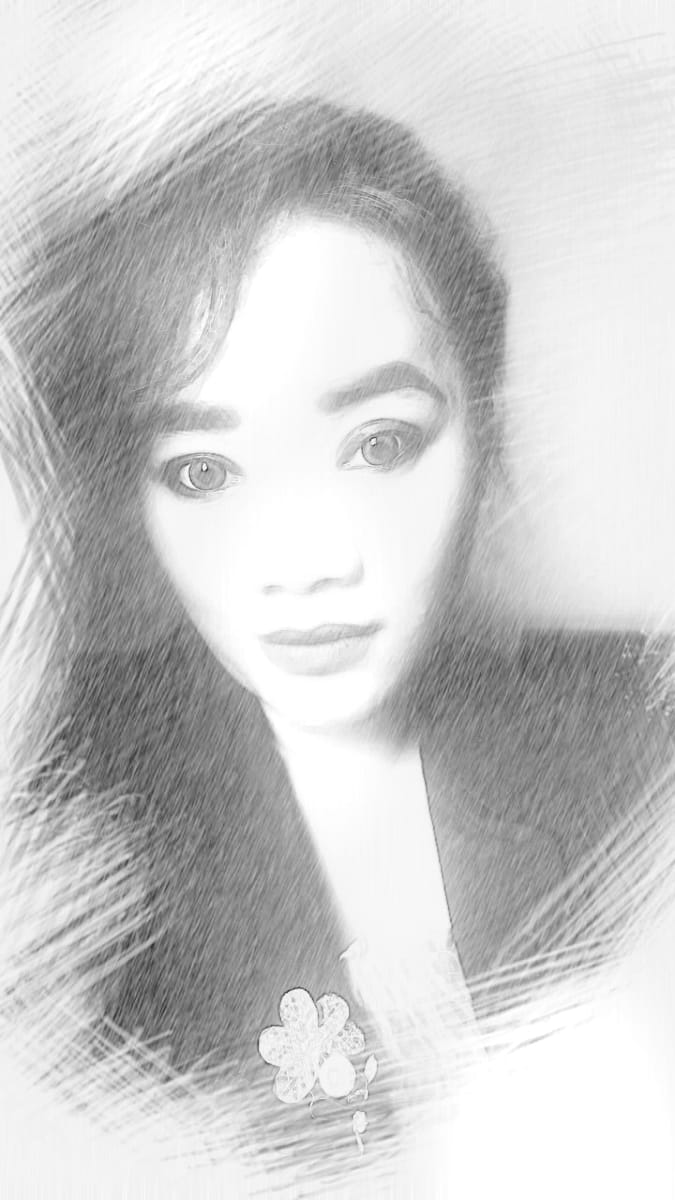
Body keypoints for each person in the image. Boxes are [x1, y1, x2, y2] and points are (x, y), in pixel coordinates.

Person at [3, 97, 672, 1182]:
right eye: (203, 472)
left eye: (379, 444)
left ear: (484, 428)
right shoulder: (67, 852)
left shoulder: (641, 742)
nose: (305, 559)